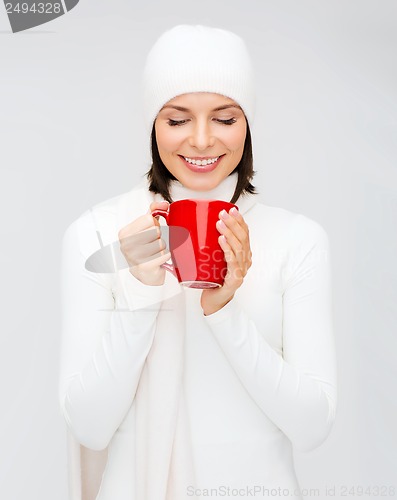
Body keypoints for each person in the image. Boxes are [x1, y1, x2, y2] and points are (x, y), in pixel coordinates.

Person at [58, 24, 337, 500]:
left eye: (225, 119)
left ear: (248, 125)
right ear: (152, 124)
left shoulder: (298, 239)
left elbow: (312, 427)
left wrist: (223, 311)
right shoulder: (99, 232)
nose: (203, 140)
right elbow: (89, 427)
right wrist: (143, 294)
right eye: (177, 119)